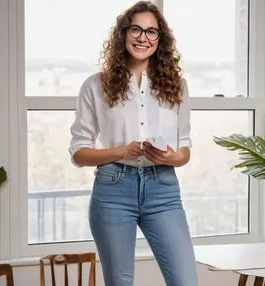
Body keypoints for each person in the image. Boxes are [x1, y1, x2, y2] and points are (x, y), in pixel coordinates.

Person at [68, 1, 198, 285]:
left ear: (160, 40)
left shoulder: (176, 86)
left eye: (152, 32)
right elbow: (79, 153)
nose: (143, 37)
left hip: (162, 188)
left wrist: (173, 158)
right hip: (114, 189)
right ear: (124, 34)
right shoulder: (95, 86)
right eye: (136, 29)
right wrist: (121, 151)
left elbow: (185, 148)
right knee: (120, 282)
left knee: (185, 281)